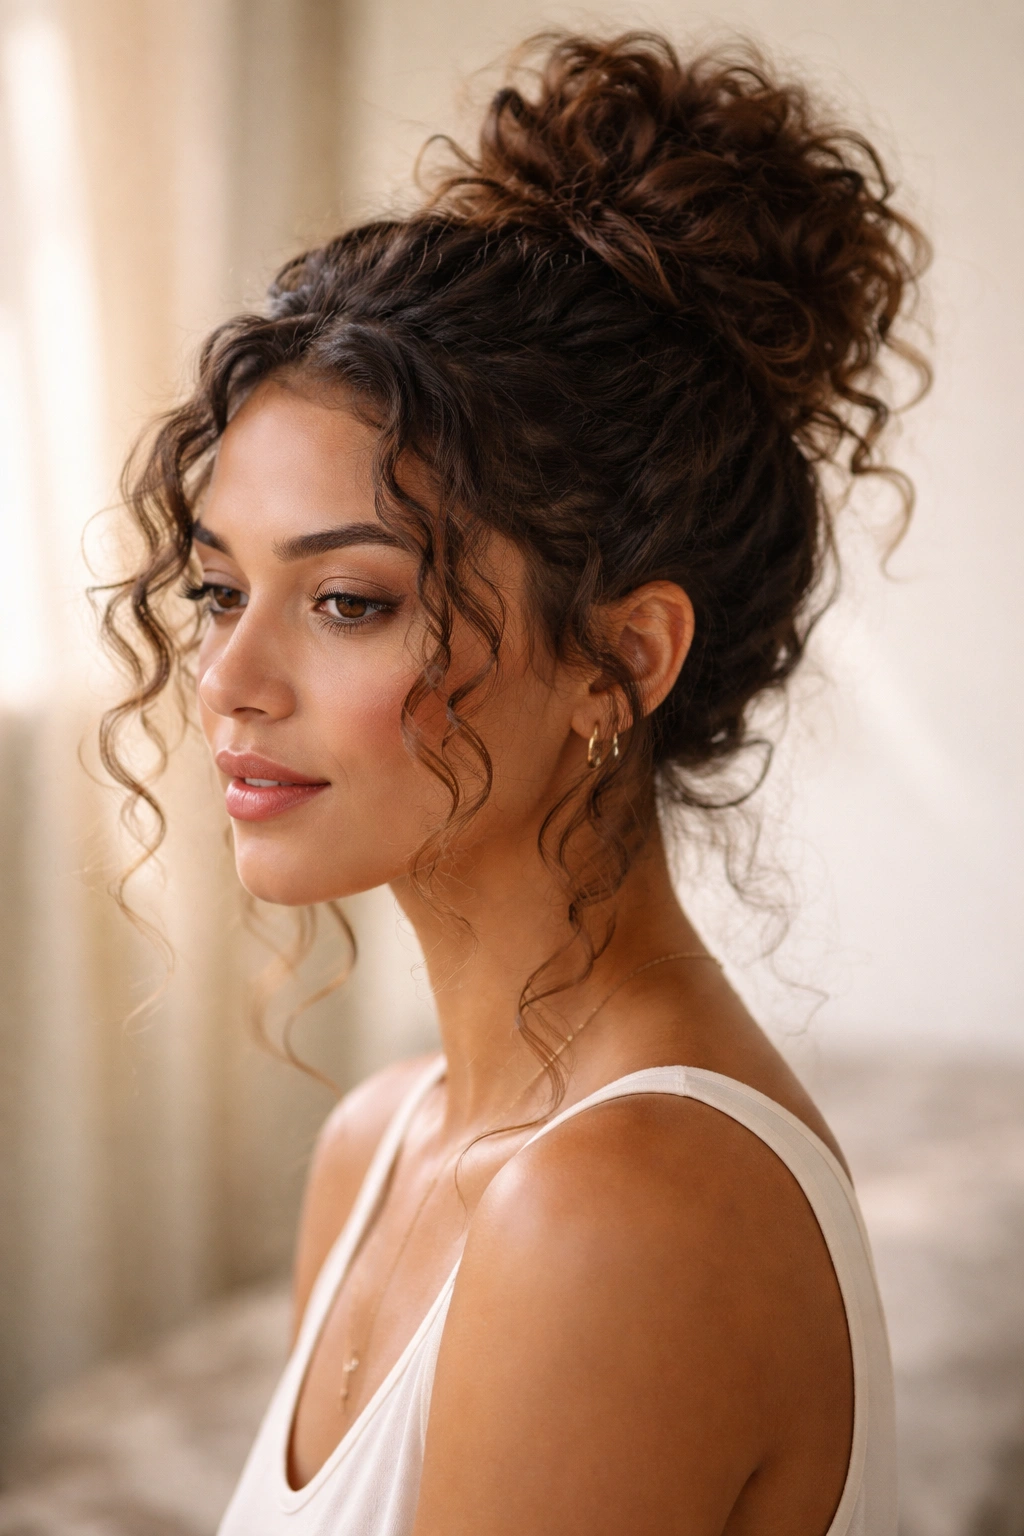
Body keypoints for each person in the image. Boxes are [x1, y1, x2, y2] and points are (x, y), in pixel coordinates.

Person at [101, 29, 928, 1535]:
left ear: (624, 660)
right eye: (221, 591)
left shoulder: (623, 1205)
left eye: (349, 601)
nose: (227, 679)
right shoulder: (383, 1139)